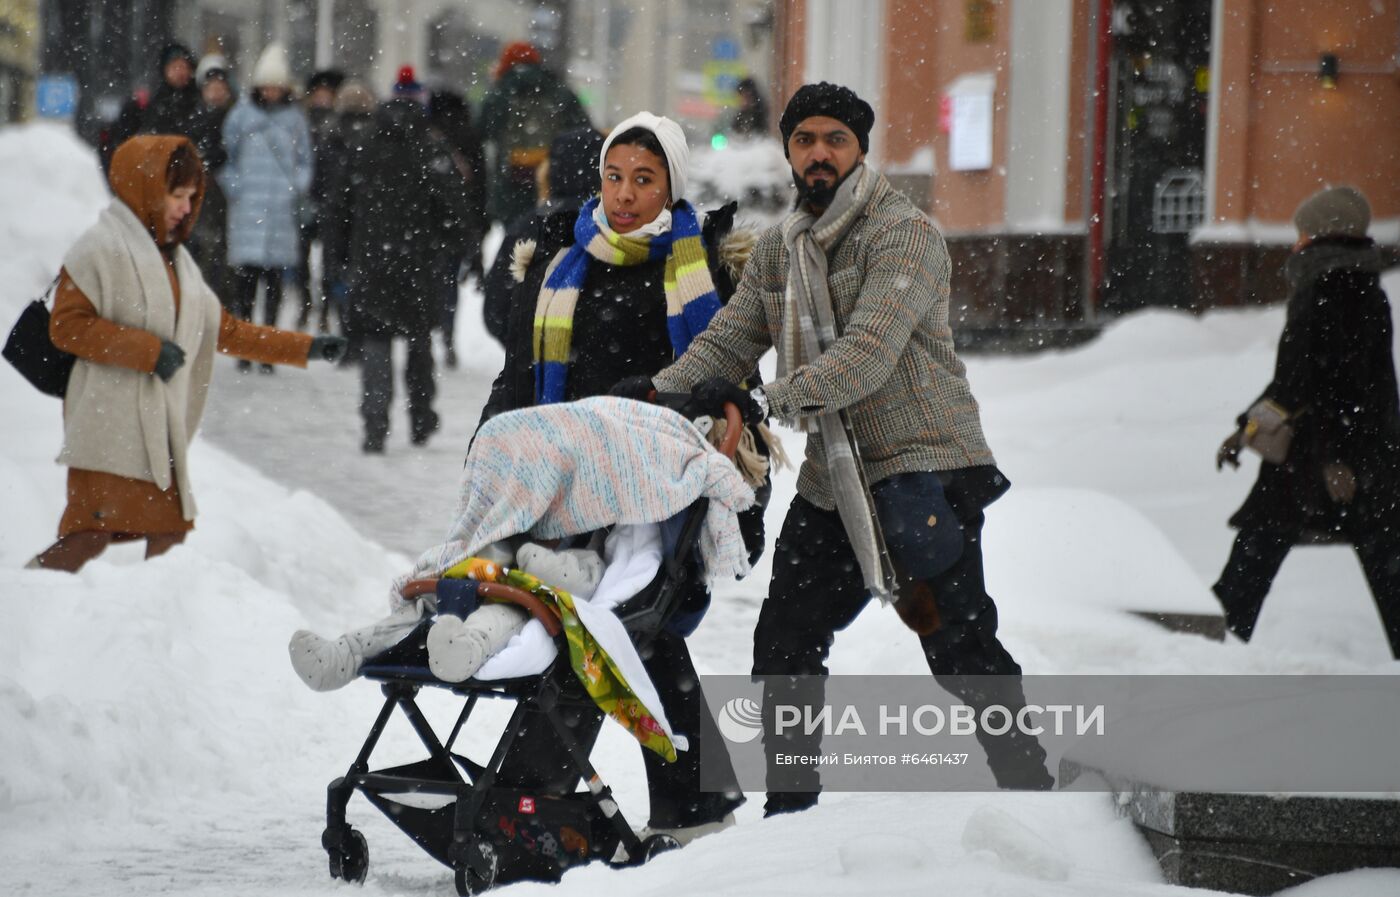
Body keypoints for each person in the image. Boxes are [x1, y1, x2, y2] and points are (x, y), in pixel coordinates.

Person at [624, 83, 1055, 814]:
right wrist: (651, 398)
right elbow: (732, 336)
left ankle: (1033, 786)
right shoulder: (782, 247)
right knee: (784, 645)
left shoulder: (904, 234)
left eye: (835, 139)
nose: (818, 153)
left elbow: (868, 354)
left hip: (927, 467)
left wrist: (767, 400)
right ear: (789, 150)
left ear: (860, 148)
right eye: (804, 140)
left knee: (960, 649)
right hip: (838, 478)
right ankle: (792, 815)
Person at [480, 110, 763, 844]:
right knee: (617, 628)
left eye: (644, 179)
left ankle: (532, 796)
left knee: (627, 623)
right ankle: (680, 802)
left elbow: (731, 380)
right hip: (567, 488)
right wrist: (492, 445)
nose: (626, 194)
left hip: (659, 490)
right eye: (614, 178)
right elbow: (520, 375)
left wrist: (660, 396)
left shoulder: (699, 265)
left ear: (671, 183)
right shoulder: (559, 264)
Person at [26, 136, 345, 573]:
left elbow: (224, 329)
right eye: (176, 195)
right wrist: (149, 351)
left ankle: (156, 624)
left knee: (168, 536)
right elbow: (67, 326)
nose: (184, 206)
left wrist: (307, 348)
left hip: (154, 435)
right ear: (145, 188)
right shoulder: (99, 248)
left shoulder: (176, 260)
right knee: (88, 536)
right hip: (109, 426)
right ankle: (29, 598)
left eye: (191, 197)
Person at [1214, 185, 1400, 657]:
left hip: (1328, 455)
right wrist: (1248, 429)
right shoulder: (1358, 288)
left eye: (1302, 232)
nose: (1296, 242)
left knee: (1257, 552)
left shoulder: (1332, 291)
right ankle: (1217, 636)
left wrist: (1339, 460)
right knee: (1383, 556)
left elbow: (1340, 388)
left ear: (1323, 234)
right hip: (1357, 454)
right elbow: (1296, 384)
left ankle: (1215, 644)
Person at [324, 91, 471, 452]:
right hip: (418, 265)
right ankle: (421, 416)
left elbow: (338, 207)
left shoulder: (362, 148)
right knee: (419, 344)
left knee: (376, 342)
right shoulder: (430, 150)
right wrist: (447, 240)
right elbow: (454, 210)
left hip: (372, 262)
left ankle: (375, 422)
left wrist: (337, 257)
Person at [220, 43, 313, 366]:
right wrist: (236, 187)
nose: (272, 92)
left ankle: (269, 348)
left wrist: (295, 188)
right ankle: (246, 347)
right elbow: (226, 158)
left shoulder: (295, 120)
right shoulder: (241, 116)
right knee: (246, 285)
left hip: (279, 214)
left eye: (277, 85)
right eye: (267, 85)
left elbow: (305, 161)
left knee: (273, 285)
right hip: (248, 210)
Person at [482, 127, 604, 345]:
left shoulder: (528, 227)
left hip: (533, 369)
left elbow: (495, 310)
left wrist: (526, 349)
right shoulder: (615, 229)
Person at [478, 41, 592, 226]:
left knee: (516, 242)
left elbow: (481, 130)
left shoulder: (500, 93)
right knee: (549, 237)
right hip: (551, 180)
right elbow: (583, 131)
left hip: (511, 184)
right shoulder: (559, 91)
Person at [427, 89, 490, 368]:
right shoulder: (470, 136)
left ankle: (430, 332)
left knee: (430, 280)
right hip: (460, 223)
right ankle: (448, 335)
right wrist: (479, 223)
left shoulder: (428, 139)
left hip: (430, 224)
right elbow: (482, 185)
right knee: (449, 281)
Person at [319, 80, 378, 363]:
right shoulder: (373, 135)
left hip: (337, 213)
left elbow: (320, 177)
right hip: (363, 217)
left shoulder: (331, 132)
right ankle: (357, 338)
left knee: (338, 276)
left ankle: (346, 336)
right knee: (360, 280)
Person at [100, 42, 203, 172]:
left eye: (184, 67)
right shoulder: (151, 104)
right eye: (175, 67)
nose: (180, 72)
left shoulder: (199, 102)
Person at [295, 68, 345, 333]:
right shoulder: (301, 121)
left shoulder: (336, 125)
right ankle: (306, 304)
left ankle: (324, 309)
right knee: (301, 258)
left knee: (328, 261)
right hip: (307, 197)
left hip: (329, 199)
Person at [186, 54, 235, 303]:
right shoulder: (195, 118)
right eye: (211, 87)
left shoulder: (235, 119)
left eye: (220, 87)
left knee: (222, 255)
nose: (216, 92)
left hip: (227, 195)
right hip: (201, 196)